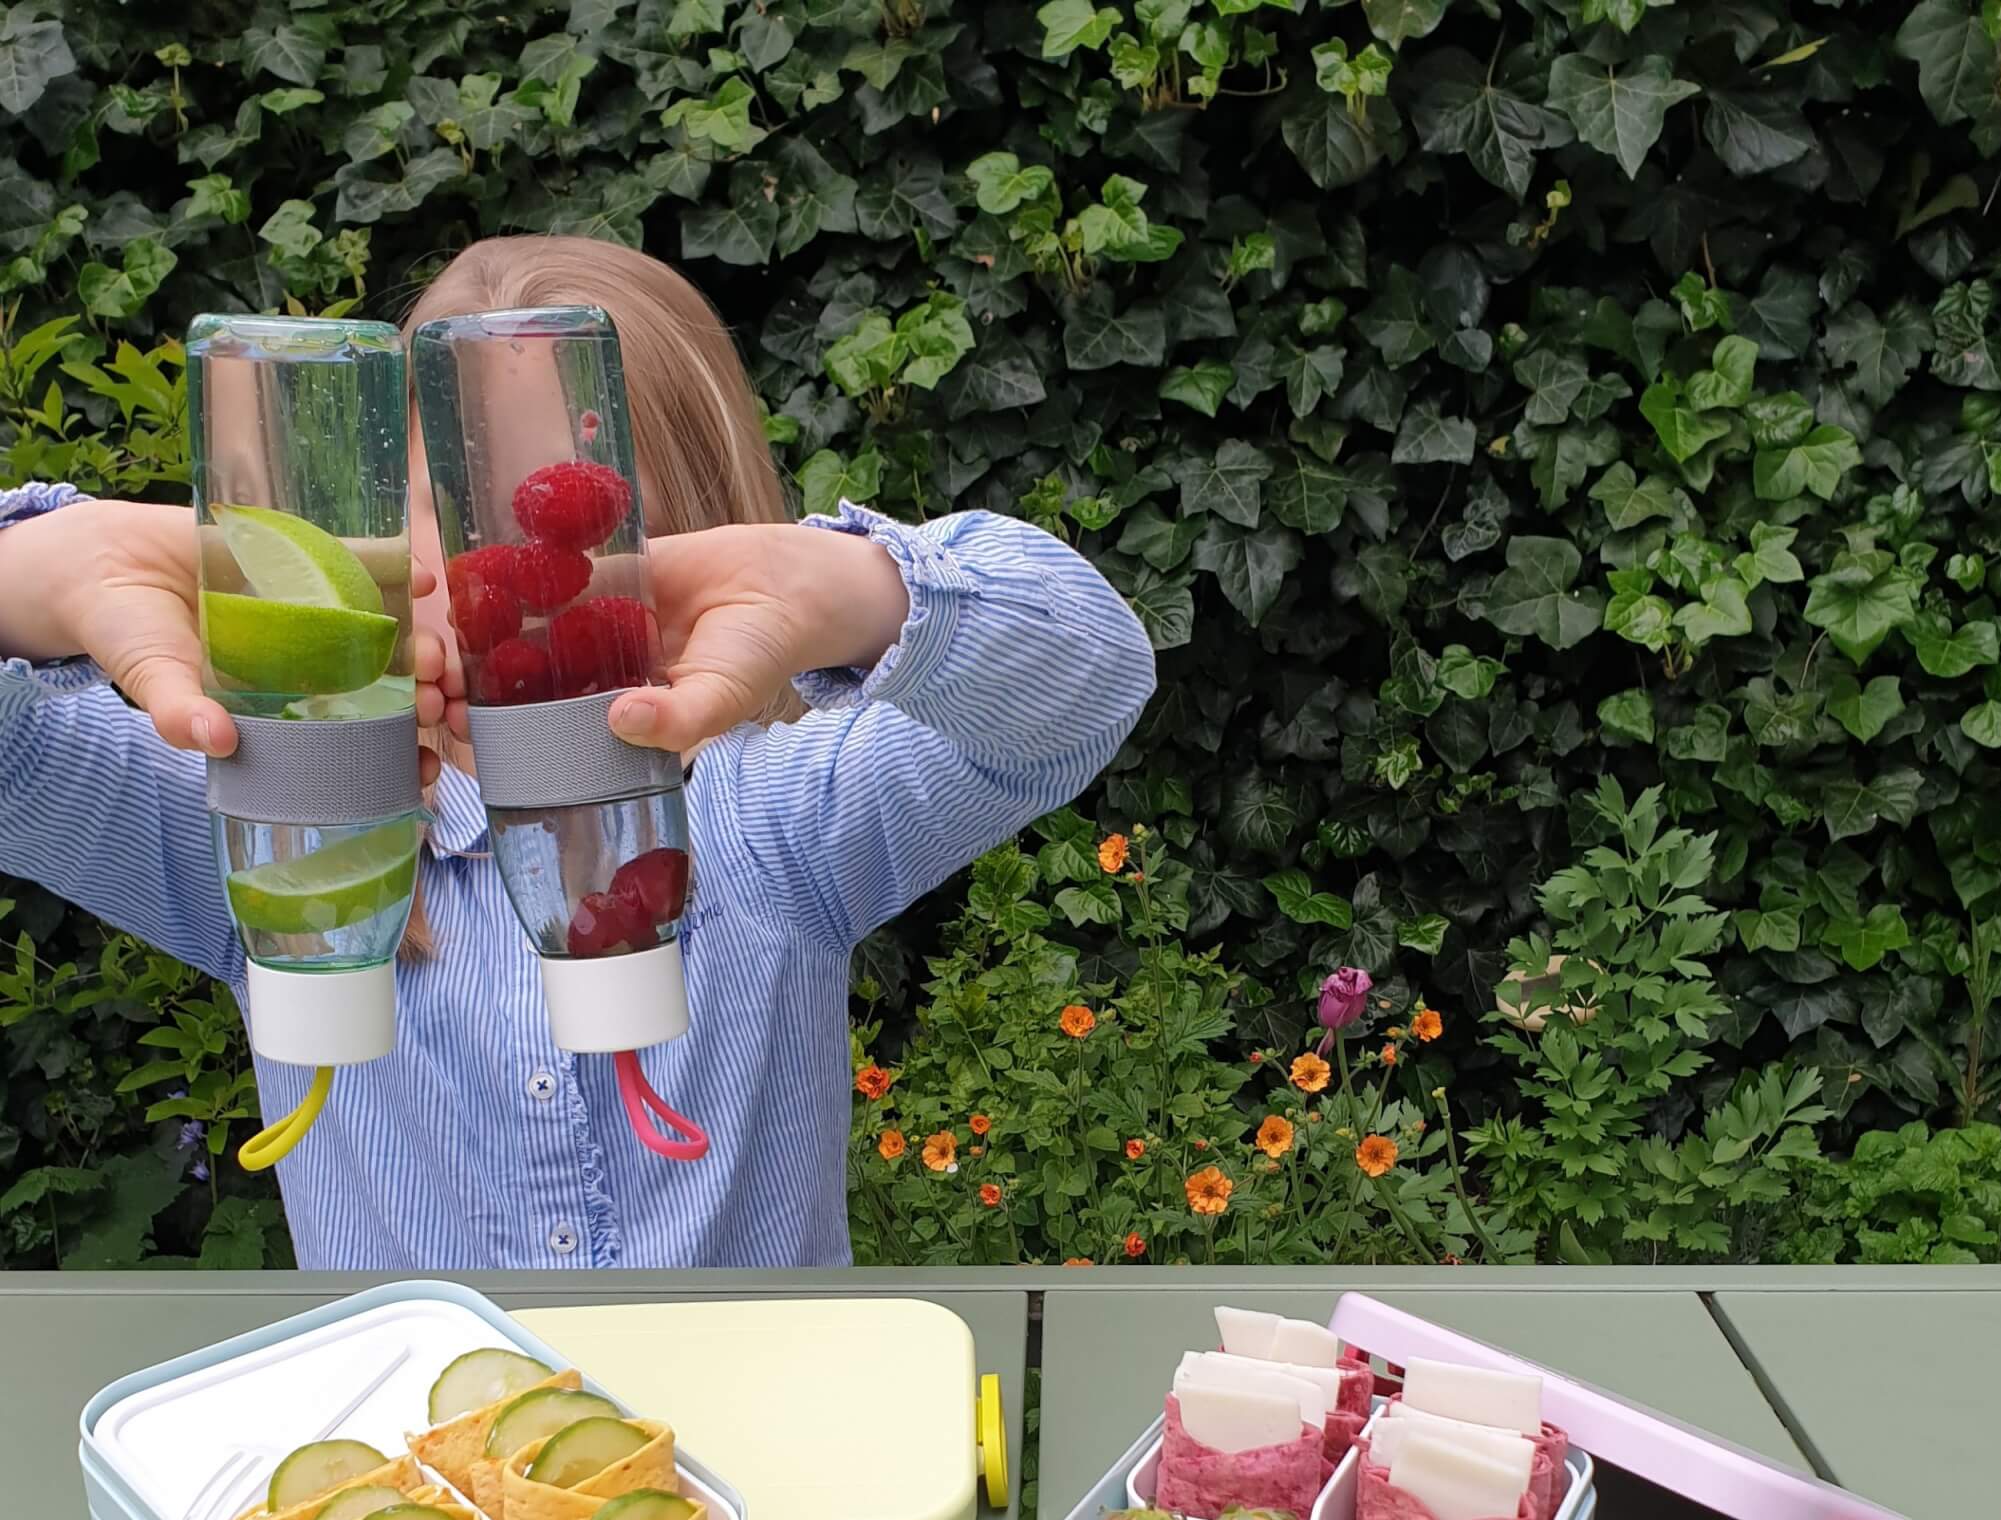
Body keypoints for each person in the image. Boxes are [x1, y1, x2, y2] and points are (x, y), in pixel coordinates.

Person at [0, 236, 1156, 1268]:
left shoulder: (772, 816)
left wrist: (850, 589)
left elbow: (1087, 681)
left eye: (581, 530)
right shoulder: (267, 822)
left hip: (750, 1467)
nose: (507, 576)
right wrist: (31, 574)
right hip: (422, 1482)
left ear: (701, 535)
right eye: (450, 513)